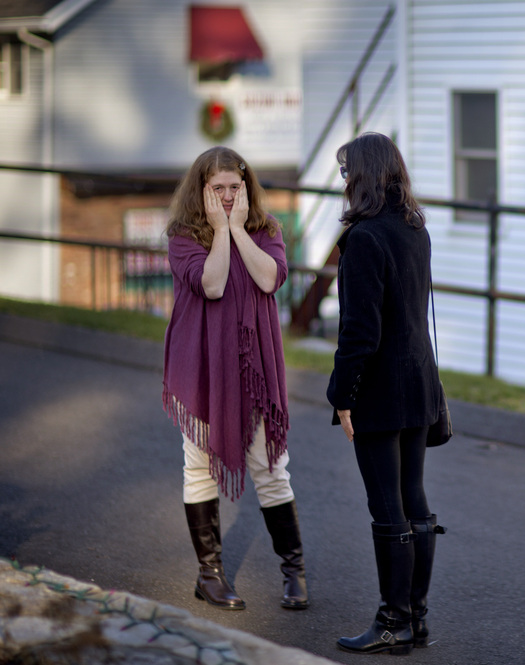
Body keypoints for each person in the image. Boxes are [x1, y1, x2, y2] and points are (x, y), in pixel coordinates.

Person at [162, 146, 308, 612]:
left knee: (270, 467)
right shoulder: (183, 235)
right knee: (199, 466)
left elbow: (270, 279)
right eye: (217, 189)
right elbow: (213, 284)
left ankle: (294, 572)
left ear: (246, 188)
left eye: (233, 188)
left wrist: (239, 230)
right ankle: (210, 575)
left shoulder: (267, 231)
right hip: (201, 367)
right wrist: (221, 232)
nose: (226, 196)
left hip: (255, 370)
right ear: (201, 190)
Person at [327, 132, 446, 655]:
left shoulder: (364, 239)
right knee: (413, 497)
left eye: (344, 170)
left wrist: (342, 395)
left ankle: (393, 621)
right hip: (420, 381)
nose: (341, 180)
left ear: (362, 176)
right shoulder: (413, 229)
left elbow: (360, 332)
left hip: (379, 389)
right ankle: (415, 618)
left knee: (387, 507)